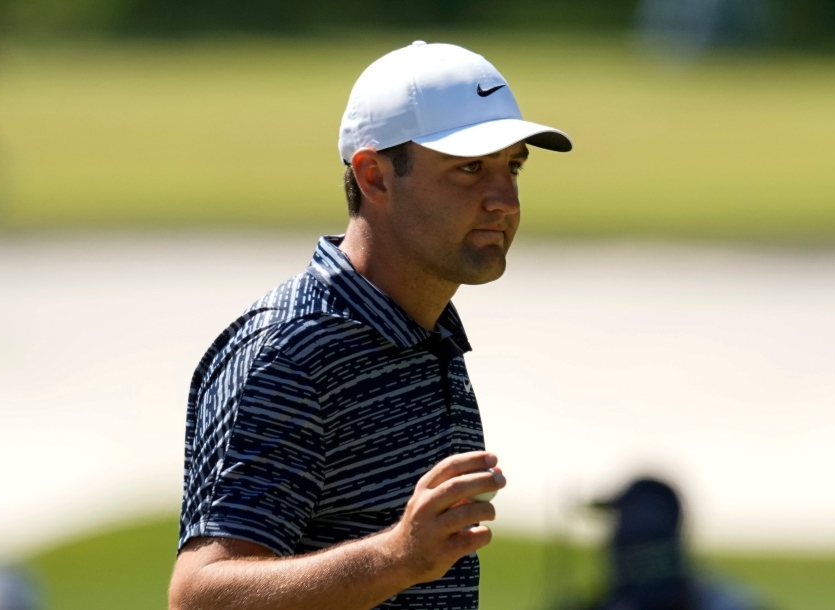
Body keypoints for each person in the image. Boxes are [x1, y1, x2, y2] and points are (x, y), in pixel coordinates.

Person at [168, 41, 572, 610]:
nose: (504, 199)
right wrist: (396, 557)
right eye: (470, 169)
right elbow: (199, 597)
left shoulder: (427, 335)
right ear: (374, 175)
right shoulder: (292, 354)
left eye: (513, 167)